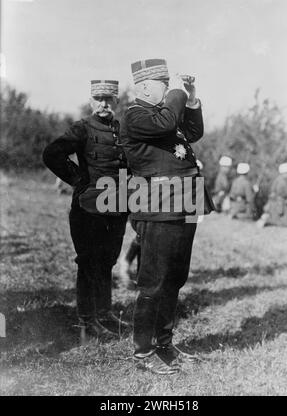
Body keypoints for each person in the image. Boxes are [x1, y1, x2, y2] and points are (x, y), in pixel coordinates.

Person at [120, 58, 215, 375]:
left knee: (175, 277)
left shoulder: (164, 114)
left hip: (184, 202)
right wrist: (176, 92)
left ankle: (164, 344)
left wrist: (191, 97)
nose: (167, 89)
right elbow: (165, 125)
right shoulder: (136, 115)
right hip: (158, 205)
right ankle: (142, 352)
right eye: (163, 83)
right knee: (154, 282)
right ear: (145, 86)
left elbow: (193, 131)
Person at [43, 79, 129, 344]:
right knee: (88, 262)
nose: (104, 104)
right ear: (91, 101)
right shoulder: (82, 128)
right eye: (98, 99)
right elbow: (52, 154)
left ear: (116, 102)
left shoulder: (121, 129)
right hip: (88, 208)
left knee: (108, 260)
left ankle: (104, 313)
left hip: (116, 207)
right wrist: (79, 179)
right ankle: (86, 320)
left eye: (108, 99)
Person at [257, 163, 287, 227]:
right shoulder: (282, 182)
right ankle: (267, 220)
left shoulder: (278, 180)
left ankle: (267, 218)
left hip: (274, 205)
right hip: (280, 205)